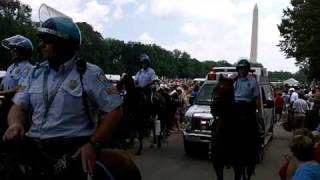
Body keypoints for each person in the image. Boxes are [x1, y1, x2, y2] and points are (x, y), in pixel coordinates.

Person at [1, 4, 140, 180]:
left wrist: (92, 144)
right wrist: (15, 124)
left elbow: (115, 110)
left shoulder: (90, 73)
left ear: (64, 44)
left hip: (72, 149)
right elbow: (18, 106)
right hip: (34, 147)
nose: (41, 45)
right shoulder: (34, 73)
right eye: (42, 40)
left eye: (47, 41)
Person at [0, 35, 33, 135]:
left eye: (14, 49)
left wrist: (1, 93)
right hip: (5, 103)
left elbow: (20, 88)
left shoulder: (28, 68)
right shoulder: (11, 67)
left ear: (23, 51)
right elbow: (4, 85)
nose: (11, 51)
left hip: (16, 106)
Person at [233, 59, 262, 164]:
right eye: (240, 68)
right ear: (238, 69)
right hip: (234, 107)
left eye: (244, 68)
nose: (242, 71)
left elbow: (256, 98)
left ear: (247, 70)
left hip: (248, 107)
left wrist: (259, 111)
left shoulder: (253, 81)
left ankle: (257, 149)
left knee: (256, 127)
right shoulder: (233, 80)